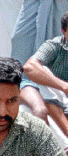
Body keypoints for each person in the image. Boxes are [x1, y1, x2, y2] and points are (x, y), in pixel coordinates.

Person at [23, 12, 68, 143]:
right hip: (57, 97)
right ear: (63, 31)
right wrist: (64, 86)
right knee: (41, 73)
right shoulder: (55, 45)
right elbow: (29, 67)